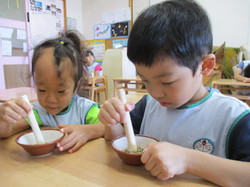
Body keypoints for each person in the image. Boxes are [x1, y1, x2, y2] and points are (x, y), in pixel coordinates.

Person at [98, 0, 250, 186]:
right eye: (145, 80)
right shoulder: (148, 106)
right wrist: (112, 121)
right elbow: (122, 141)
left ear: (206, 66)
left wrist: (189, 160)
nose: (154, 92)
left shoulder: (233, 117)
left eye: (167, 82)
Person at [0, 30, 104, 153]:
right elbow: (6, 131)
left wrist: (87, 131)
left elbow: (110, 128)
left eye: (60, 91)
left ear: (76, 86)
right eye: (42, 90)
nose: (51, 100)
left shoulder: (86, 109)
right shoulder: (38, 112)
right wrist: (3, 118)